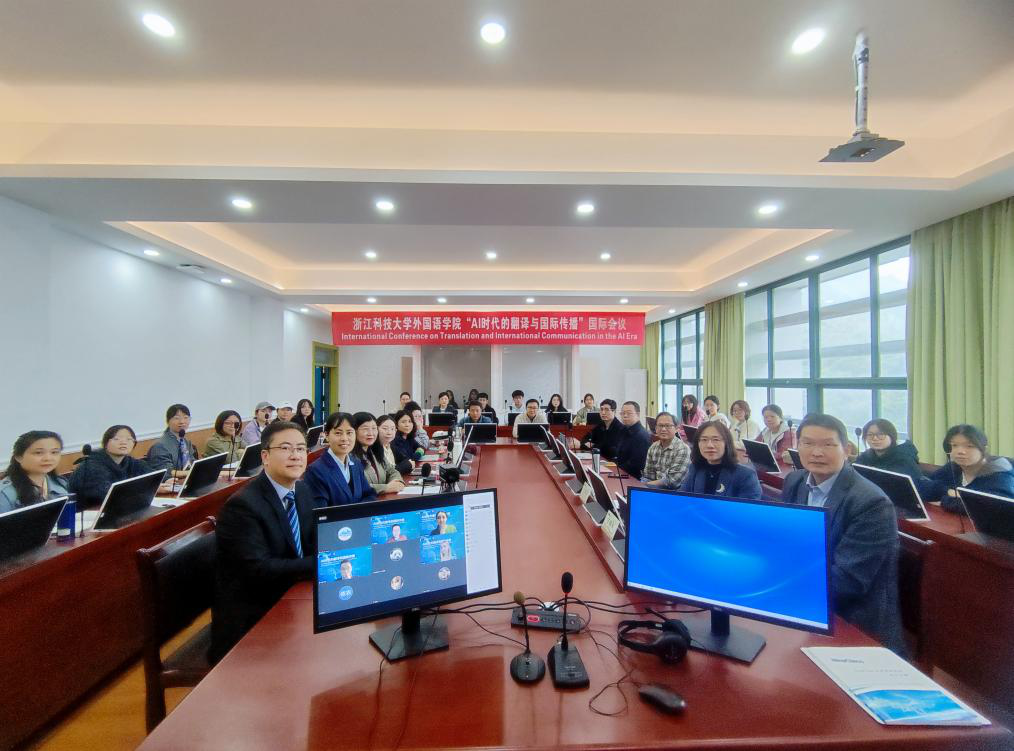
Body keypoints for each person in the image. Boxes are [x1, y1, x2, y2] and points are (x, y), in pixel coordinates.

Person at [781, 414, 904, 655]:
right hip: (805, 599)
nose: (817, 452)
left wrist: (779, 582)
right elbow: (786, 542)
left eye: (828, 444)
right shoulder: (795, 481)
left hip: (851, 620)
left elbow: (848, 581)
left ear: (846, 450)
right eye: (808, 443)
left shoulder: (872, 503)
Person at [209, 421, 316, 663]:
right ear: (265, 456)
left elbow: (312, 540)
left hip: (290, 598)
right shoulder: (243, 506)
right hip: (252, 619)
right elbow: (259, 569)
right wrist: (321, 563)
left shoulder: (301, 491)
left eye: (301, 449)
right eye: (286, 448)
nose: (296, 455)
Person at [924, 425, 1014, 512]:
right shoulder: (953, 467)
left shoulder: (999, 472)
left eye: (969, 446)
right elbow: (923, 485)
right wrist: (949, 491)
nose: (960, 451)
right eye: (954, 445)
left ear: (983, 449)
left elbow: (993, 507)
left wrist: (944, 501)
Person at [68, 425, 154, 509]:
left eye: (129, 439)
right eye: (116, 439)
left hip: (117, 510)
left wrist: (157, 486)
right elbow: (108, 496)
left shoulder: (129, 461)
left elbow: (154, 476)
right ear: (105, 444)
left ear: (134, 443)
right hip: (86, 514)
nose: (123, 442)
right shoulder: (92, 466)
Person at [304, 412, 377, 507]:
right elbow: (321, 511)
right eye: (338, 433)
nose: (344, 438)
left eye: (349, 433)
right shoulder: (315, 470)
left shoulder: (356, 463)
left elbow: (369, 495)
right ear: (327, 435)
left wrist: (358, 512)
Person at [679, 422, 762, 500]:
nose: (709, 445)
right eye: (704, 440)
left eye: (716, 439)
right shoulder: (695, 468)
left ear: (727, 443)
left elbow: (747, 509)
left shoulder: (746, 475)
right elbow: (682, 499)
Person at [0, 431, 69, 513]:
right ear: (19, 457)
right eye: (38, 453)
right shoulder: (4, 493)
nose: (48, 458)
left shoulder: (61, 483)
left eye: (54, 452)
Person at [854, 419, 929, 492]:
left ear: (892, 436)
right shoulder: (866, 456)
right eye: (870, 435)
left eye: (881, 434)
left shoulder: (903, 458)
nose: (875, 438)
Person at [352, 411, 406, 494]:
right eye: (365, 429)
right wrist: (386, 488)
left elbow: (392, 471)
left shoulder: (374, 451)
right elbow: (355, 486)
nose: (371, 433)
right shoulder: (350, 456)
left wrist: (397, 482)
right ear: (354, 431)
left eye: (374, 428)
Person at [146, 404, 198, 478]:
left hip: (188, 479)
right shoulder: (159, 445)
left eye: (186, 417)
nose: (182, 421)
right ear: (167, 421)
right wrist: (193, 472)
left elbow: (192, 462)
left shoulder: (186, 441)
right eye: (177, 418)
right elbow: (166, 472)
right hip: (171, 482)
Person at [642, 412, 691, 489]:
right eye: (660, 425)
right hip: (654, 489)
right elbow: (648, 476)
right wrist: (641, 485)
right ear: (656, 428)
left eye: (668, 426)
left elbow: (672, 481)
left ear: (676, 429)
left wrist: (645, 485)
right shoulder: (653, 447)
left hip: (674, 493)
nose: (663, 429)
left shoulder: (683, 449)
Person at [614, 401, 652, 479]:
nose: (625, 416)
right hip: (621, 472)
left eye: (629, 413)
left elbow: (636, 465)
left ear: (637, 414)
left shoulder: (642, 435)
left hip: (633, 477)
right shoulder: (624, 429)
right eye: (623, 413)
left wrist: (615, 469)